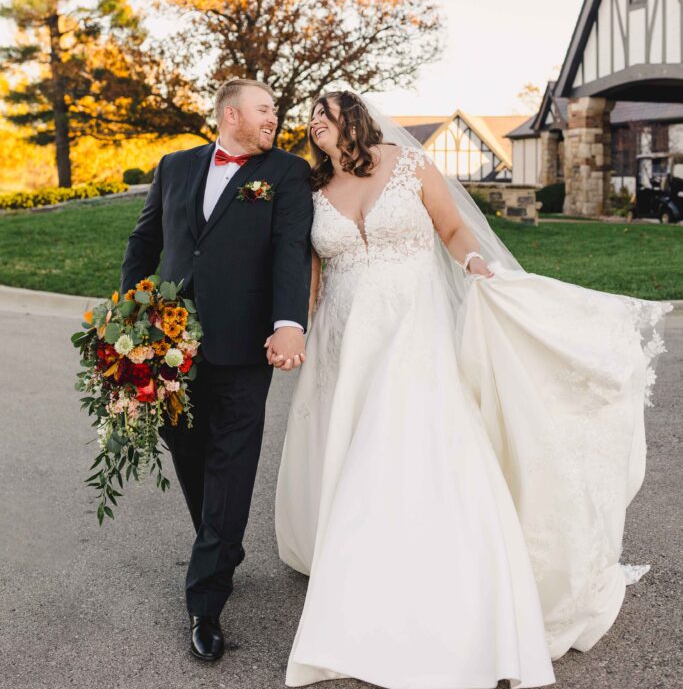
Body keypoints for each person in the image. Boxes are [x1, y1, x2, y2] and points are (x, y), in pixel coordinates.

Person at [273, 89, 670, 689]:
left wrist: (474, 265)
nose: (313, 126)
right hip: (343, 336)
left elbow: (454, 227)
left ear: (353, 120)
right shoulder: (314, 192)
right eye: (309, 120)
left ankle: (419, 563)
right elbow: (313, 271)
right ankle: (349, 550)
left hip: (413, 325)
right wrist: (295, 329)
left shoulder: (407, 165)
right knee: (348, 438)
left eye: (323, 116)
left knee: (408, 437)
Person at [121, 78, 312, 663]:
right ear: (231, 114)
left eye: (275, 110)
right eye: (264, 109)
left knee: (232, 461)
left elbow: (290, 250)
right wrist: (132, 314)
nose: (273, 117)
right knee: (187, 450)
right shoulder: (174, 165)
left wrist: (288, 322)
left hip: (242, 344)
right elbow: (145, 240)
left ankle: (205, 602)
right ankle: (220, 545)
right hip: (169, 340)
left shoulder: (286, 172)